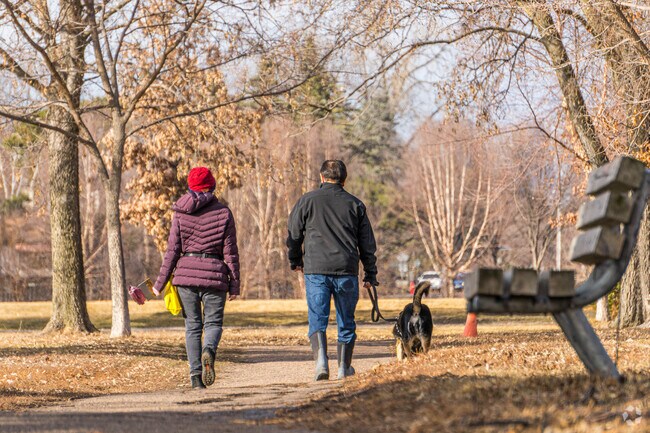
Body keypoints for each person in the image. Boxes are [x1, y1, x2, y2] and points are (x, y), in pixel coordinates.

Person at [286, 160, 378, 381]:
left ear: (321, 177)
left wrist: (295, 260)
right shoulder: (355, 204)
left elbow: (293, 234)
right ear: (344, 179)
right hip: (346, 270)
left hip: (316, 269)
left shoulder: (307, 201)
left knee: (318, 317)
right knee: (346, 319)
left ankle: (321, 363)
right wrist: (370, 273)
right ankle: (343, 368)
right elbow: (367, 243)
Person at [152, 167, 240, 389]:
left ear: (190, 187)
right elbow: (230, 252)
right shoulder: (224, 213)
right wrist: (235, 284)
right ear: (212, 185)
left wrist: (159, 284)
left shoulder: (181, 212)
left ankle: (195, 377)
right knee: (213, 323)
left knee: (192, 326)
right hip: (215, 274)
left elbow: (172, 250)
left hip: (186, 275)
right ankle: (208, 350)